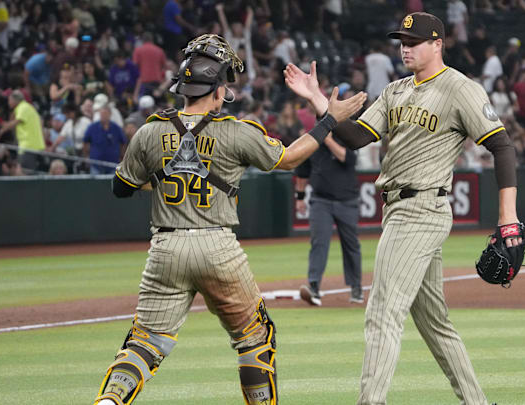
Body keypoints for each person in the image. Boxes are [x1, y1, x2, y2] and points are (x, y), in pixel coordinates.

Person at [93, 34, 365, 405]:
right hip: (217, 246)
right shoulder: (237, 131)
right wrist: (329, 119)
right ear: (219, 92)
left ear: (183, 89)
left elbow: (121, 188)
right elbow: (288, 159)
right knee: (254, 336)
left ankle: (109, 400)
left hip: (165, 247)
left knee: (145, 342)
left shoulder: (149, 131)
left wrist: (167, 179)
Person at [284, 12, 521, 405]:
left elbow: (502, 146)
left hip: (422, 208)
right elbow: (356, 136)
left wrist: (507, 215)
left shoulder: (460, 88)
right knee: (434, 323)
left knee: (382, 313)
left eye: (413, 41)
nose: (405, 48)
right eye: (402, 41)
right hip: (398, 210)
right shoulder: (395, 90)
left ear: (437, 44)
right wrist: (316, 99)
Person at [294, 131, 363, 306]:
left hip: (347, 200)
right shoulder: (313, 142)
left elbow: (347, 159)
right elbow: (302, 172)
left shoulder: (347, 136)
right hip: (320, 200)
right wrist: (300, 197)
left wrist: (328, 140)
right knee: (319, 243)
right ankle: (314, 287)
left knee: (351, 245)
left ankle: (356, 287)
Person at [0, 90, 45, 172]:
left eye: (9, 100)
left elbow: (16, 122)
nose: (8, 102)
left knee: (25, 173)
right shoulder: (27, 107)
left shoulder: (22, 107)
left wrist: (1, 130)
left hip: (28, 146)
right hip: (34, 145)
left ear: (15, 100)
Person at [83, 106, 127, 174]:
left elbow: (123, 142)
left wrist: (122, 157)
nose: (103, 116)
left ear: (110, 114)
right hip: (96, 164)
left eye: (105, 113)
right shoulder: (92, 127)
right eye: (101, 114)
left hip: (113, 165)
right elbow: (85, 142)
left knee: (112, 183)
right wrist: (86, 156)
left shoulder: (116, 128)